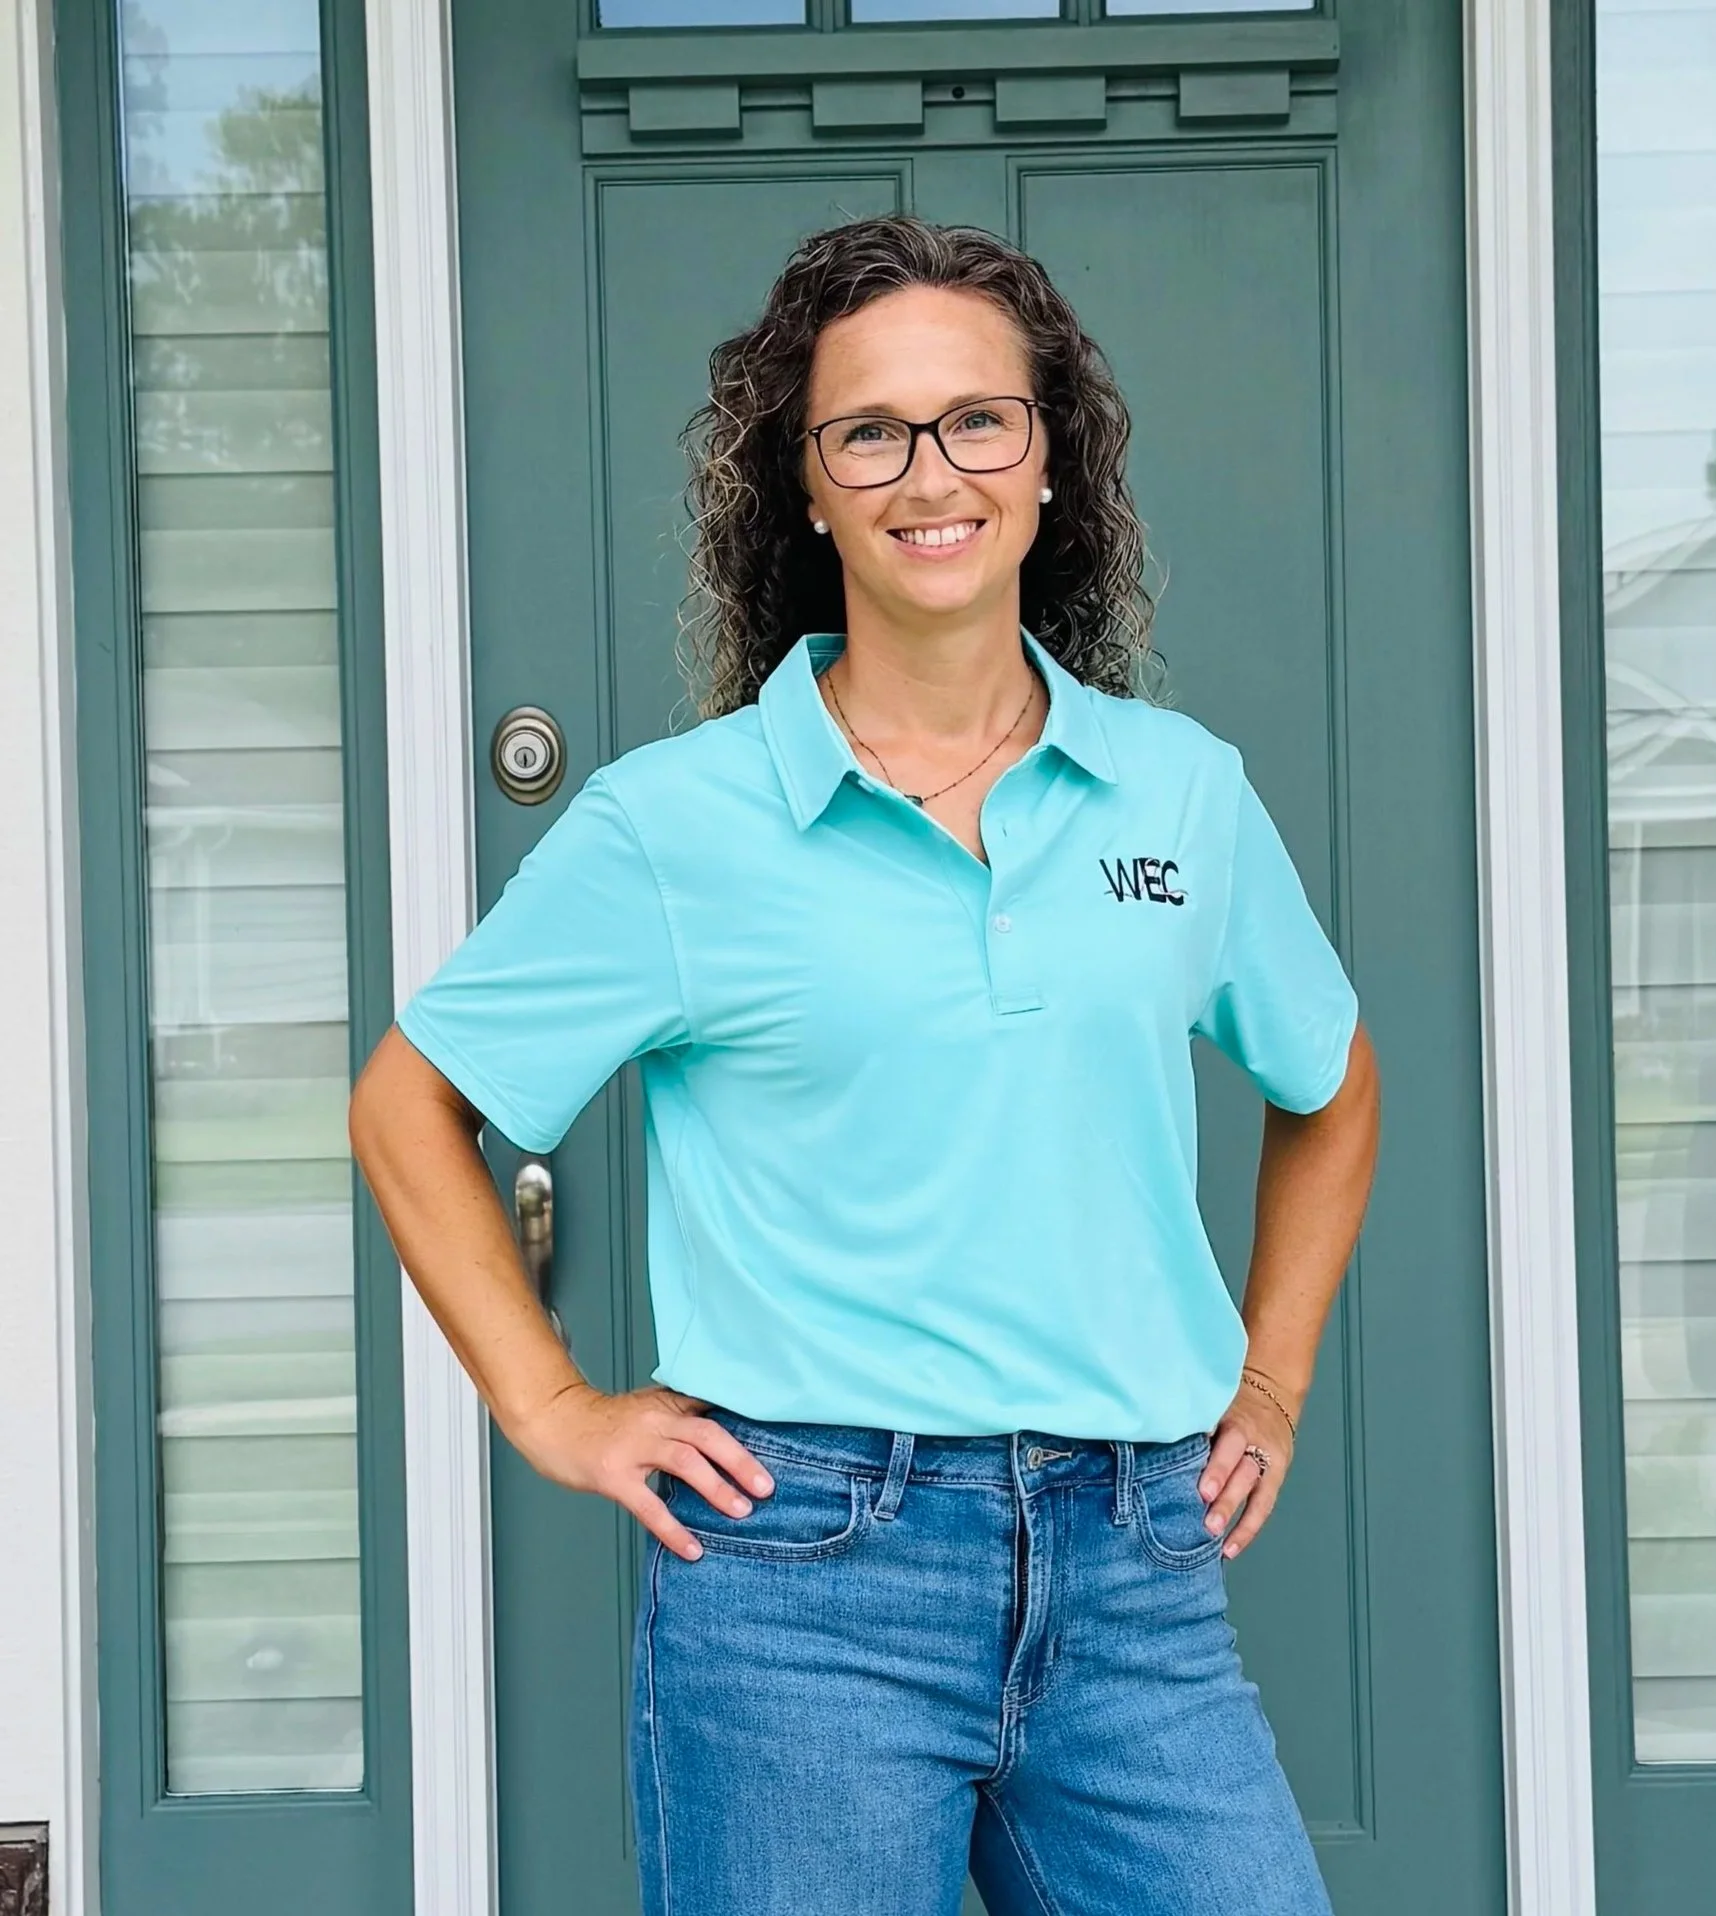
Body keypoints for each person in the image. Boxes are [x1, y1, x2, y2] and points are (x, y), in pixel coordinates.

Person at [350, 213, 1380, 1916]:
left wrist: (1268, 1381)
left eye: (981, 419)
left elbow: (1329, 1086)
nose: (932, 472)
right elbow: (411, 1109)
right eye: (869, 433)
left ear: (1053, 465)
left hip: (1135, 1565)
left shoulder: (1180, 794)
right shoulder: (670, 828)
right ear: (807, 488)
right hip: (806, 1580)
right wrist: (552, 1406)